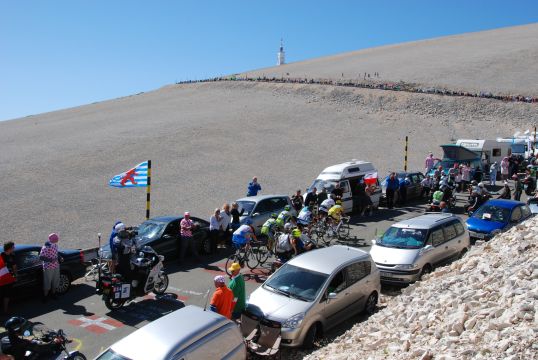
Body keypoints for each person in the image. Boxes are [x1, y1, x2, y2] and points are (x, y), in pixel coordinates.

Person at [39, 233, 62, 303]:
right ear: (53, 239)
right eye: (56, 238)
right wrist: (50, 260)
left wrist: (60, 257)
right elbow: (41, 257)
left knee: (55, 280)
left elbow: (56, 253)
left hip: (56, 266)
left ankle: (53, 294)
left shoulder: (55, 245)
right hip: (48, 267)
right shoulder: (46, 247)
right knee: (47, 282)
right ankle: (45, 297)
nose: (58, 239)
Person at [0, 242, 17, 314]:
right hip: (1, 278)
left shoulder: (12, 256)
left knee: (7, 294)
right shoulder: (1, 256)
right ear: (9, 248)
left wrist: (15, 276)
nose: (14, 248)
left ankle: (5, 310)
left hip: (9, 278)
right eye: (13, 247)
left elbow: (14, 267)